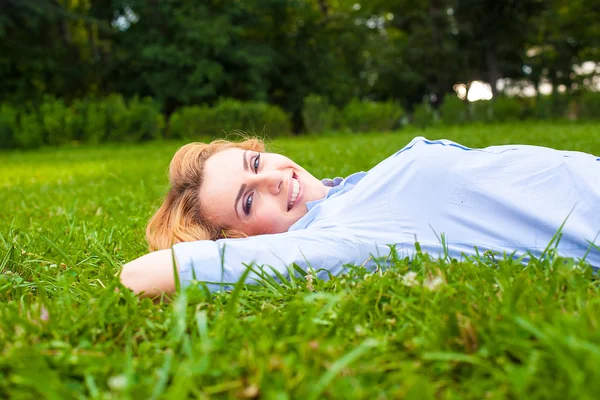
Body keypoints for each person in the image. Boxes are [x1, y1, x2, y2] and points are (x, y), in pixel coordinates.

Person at [120, 136, 600, 298]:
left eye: (255, 163)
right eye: (248, 202)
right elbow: (138, 276)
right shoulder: (337, 237)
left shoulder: (345, 194)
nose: (272, 179)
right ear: (240, 240)